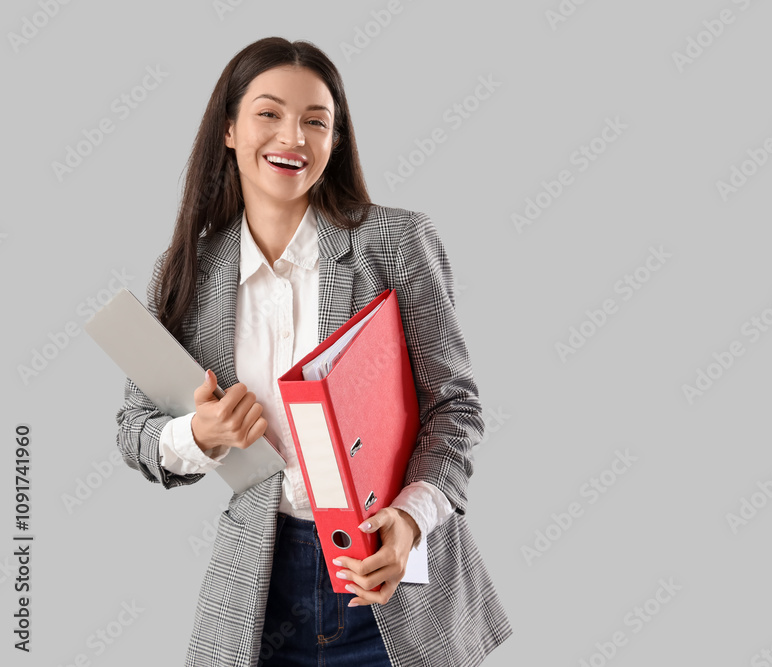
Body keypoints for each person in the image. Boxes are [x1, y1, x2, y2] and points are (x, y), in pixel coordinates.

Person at [114, 36, 512, 666]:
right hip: (260, 585)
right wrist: (201, 434)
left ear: (336, 140)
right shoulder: (189, 270)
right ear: (228, 130)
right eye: (269, 114)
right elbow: (135, 430)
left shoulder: (397, 243)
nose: (292, 137)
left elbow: (456, 410)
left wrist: (409, 521)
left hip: (391, 583)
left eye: (316, 121)